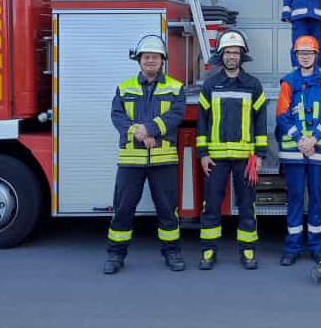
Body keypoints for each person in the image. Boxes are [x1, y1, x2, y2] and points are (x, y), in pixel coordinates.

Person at [104, 35, 188, 275]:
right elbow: (117, 117)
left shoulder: (175, 87)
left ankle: (172, 252)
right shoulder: (124, 87)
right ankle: (115, 254)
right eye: (146, 57)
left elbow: (176, 115)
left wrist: (150, 129)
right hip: (131, 161)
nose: (150, 60)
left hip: (163, 160)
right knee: (122, 209)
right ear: (139, 60)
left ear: (163, 60)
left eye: (155, 57)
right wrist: (140, 133)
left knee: (168, 210)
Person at [195, 30, 268, 271]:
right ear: (221, 56)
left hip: (244, 159)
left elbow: (260, 122)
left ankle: (247, 250)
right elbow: (202, 122)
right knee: (211, 205)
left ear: (242, 56)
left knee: (247, 205)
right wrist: (203, 154)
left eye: (236, 52)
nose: (232, 56)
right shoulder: (210, 84)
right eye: (228, 52)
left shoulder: (253, 85)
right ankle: (208, 250)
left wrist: (259, 155)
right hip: (215, 158)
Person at [276, 36, 321, 266]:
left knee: (317, 200)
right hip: (295, 151)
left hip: (318, 151)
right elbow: (282, 114)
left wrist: (314, 139)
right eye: (301, 53)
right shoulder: (288, 82)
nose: (305, 56)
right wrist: (301, 139)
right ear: (296, 55)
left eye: (309, 53)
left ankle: (316, 246)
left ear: (316, 55)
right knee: (294, 200)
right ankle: (292, 248)